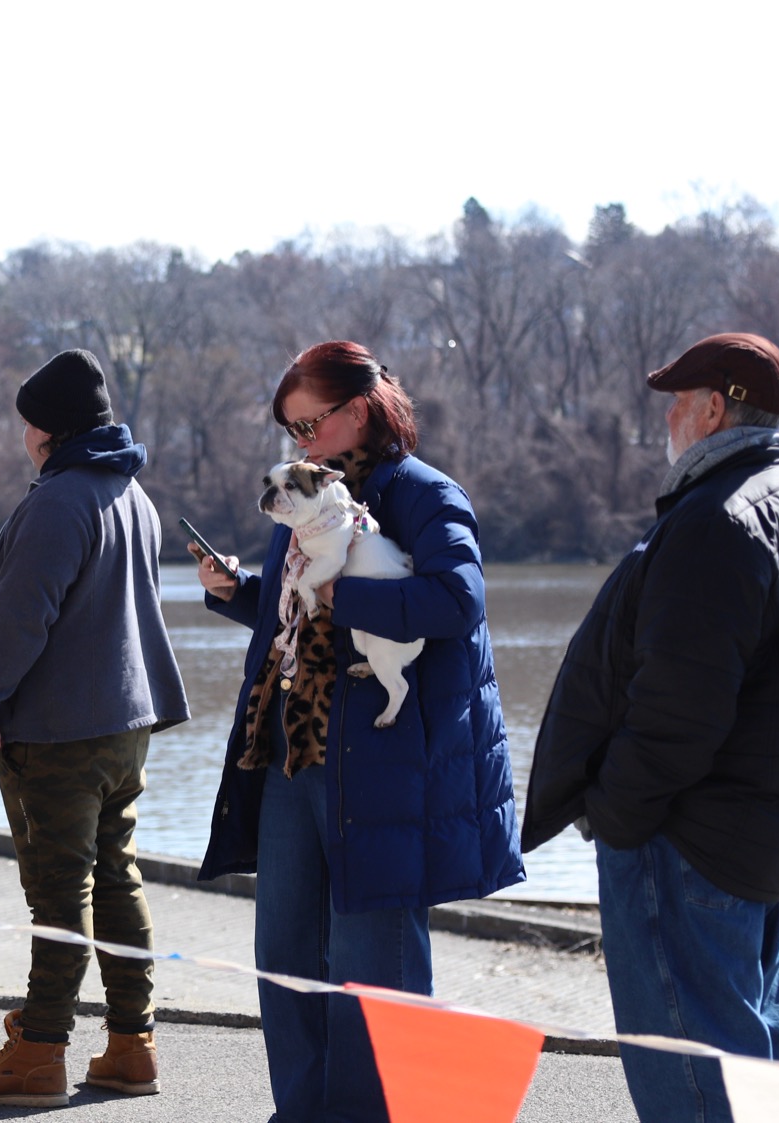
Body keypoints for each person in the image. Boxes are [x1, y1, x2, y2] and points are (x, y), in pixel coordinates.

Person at [523, 332, 779, 1123]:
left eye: (677, 401)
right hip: (763, 835)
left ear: (713, 410)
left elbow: (679, 710)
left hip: (687, 838)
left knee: (696, 1085)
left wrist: (616, 812)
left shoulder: (720, 520)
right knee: (757, 1077)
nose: (666, 419)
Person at [193, 341, 524, 1123]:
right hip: (290, 750)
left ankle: (383, 1114)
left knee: (372, 959)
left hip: (384, 764)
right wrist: (240, 590)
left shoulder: (425, 493)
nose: (301, 442)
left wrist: (344, 596)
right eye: (291, 429)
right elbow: (298, 608)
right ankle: (301, 1112)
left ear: (362, 409)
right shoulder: (303, 495)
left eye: (311, 424)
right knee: (284, 950)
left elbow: (458, 602)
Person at [0, 349, 189, 1108]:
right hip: (125, 723)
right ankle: (131, 1045)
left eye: (27, 424)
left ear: (48, 430)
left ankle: (40, 1053)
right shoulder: (132, 494)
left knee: (58, 894)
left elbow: (21, 620)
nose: (23, 436)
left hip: (58, 731)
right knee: (115, 878)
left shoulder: (60, 502)